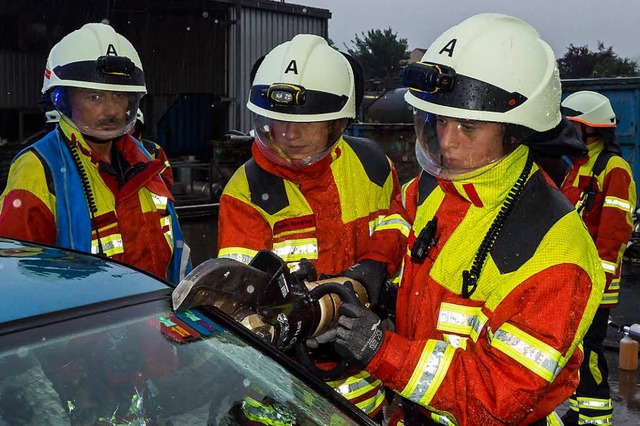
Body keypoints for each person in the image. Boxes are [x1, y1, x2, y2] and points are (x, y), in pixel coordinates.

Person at [323, 13, 606, 425]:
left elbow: (497, 398)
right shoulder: (435, 186)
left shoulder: (557, 252)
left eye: (468, 126)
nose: (447, 141)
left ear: (515, 131)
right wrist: (369, 269)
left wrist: (380, 350)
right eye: (437, 120)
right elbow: (397, 222)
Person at [217, 34, 410, 420]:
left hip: (368, 380)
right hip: (284, 388)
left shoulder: (372, 166)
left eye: (306, 122)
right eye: (278, 120)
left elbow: (399, 223)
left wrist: (374, 266)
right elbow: (241, 301)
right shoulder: (246, 192)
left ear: (338, 121)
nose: (289, 134)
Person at [0, 23, 190, 284]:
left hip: (156, 319)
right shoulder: (38, 168)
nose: (111, 110)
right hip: (84, 324)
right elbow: (18, 278)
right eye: (94, 97)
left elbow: (178, 255)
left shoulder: (149, 162)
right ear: (63, 99)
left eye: (118, 95)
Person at [559, 91, 636, 425]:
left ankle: (595, 417)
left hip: (593, 285)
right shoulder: (574, 163)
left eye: (573, 123)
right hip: (569, 281)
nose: (566, 128)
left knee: (589, 352)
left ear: (592, 128)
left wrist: (597, 281)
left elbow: (614, 234)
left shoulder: (613, 169)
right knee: (573, 352)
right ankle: (579, 411)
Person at [130, 108, 174, 191]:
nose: (127, 129)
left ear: (138, 126)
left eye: (130, 124)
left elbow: (166, 178)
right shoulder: (109, 149)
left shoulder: (153, 149)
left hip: (149, 199)